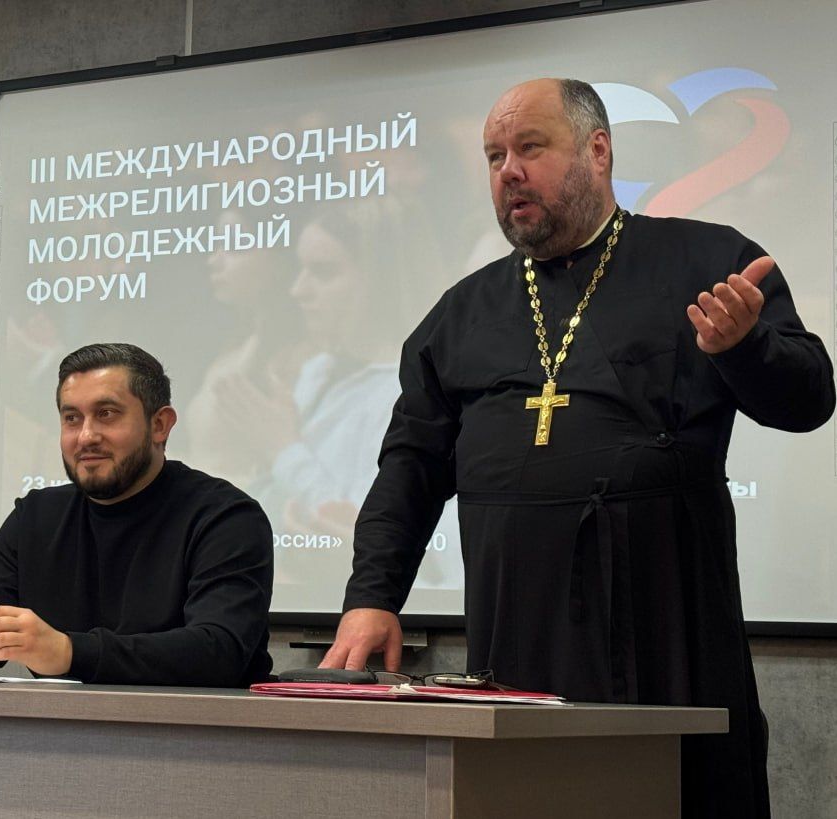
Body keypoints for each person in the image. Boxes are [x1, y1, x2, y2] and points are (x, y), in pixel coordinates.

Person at [321, 78, 834, 817]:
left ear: (598, 150)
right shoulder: (461, 313)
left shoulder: (707, 261)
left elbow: (809, 402)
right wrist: (371, 596)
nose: (509, 171)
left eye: (530, 147)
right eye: (494, 155)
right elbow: (410, 469)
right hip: (514, 634)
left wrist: (746, 347)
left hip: (666, 632)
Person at [0, 342, 273, 686]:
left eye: (106, 414)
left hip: (197, 726)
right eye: (72, 418)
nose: (86, 436)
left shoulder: (226, 518)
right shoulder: (35, 518)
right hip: (57, 725)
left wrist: (70, 653)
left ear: (160, 425)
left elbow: (219, 652)